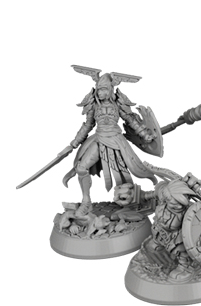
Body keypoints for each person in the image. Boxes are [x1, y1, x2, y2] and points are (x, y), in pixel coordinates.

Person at [62, 70, 158, 215]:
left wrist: (144, 134)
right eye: (98, 89)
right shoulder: (94, 105)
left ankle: (131, 202)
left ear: (110, 89)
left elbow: (131, 120)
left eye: (103, 89)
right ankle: (86, 202)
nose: (100, 93)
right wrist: (73, 144)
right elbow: (88, 125)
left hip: (116, 140)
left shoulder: (118, 103)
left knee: (123, 176)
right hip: (99, 138)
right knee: (81, 168)